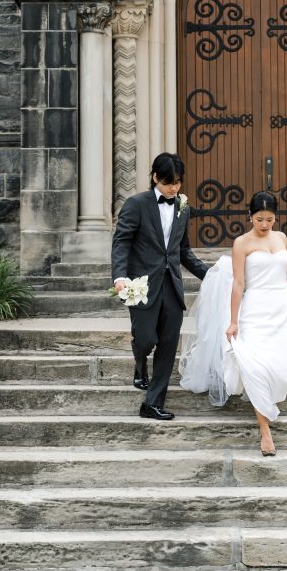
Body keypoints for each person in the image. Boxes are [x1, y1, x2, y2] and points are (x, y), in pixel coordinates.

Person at [180, 190, 287, 455]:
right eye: (260, 219)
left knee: (277, 369)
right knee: (254, 367)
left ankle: (267, 409)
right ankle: (265, 431)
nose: (265, 225)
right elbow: (239, 284)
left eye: (270, 219)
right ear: (250, 216)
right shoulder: (242, 243)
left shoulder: (281, 237)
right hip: (254, 310)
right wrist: (233, 321)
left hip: (281, 311)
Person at [111, 152, 208, 421]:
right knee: (145, 340)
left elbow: (183, 251)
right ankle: (140, 364)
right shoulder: (136, 204)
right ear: (155, 177)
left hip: (171, 287)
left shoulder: (182, 207)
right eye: (168, 183)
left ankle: (152, 403)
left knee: (167, 344)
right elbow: (122, 242)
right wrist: (119, 276)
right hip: (141, 285)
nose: (174, 188)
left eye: (177, 183)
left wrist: (209, 275)